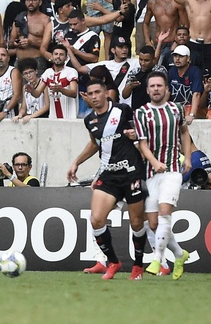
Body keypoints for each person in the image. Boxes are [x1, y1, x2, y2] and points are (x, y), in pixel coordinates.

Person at [67, 80, 147, 280]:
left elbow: (140, 133)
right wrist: (77, 161)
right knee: (96, 219)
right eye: (90, 93)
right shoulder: (90, 120)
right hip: (109, 174)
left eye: (97, 92)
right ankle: (113, 262)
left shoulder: (123, 110)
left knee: (137, 222)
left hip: (131, 172)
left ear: (106, 93)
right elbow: (95, 144)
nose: (94, 96)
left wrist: (136, 135)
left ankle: (138, 266)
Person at [134, 71, 192, 280]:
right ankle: (179, 253)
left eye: (160, 86)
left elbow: (184, 132)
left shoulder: (176, 109)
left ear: (166, 89)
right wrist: (154, 162)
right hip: (150, 172)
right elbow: (142, 143)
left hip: (172, 170)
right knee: (153, 223)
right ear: (147, 90)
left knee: (165, 212)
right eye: (153, 86)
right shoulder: (141, 113)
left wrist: (187, 157)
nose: (156, 89)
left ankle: (157, 258)